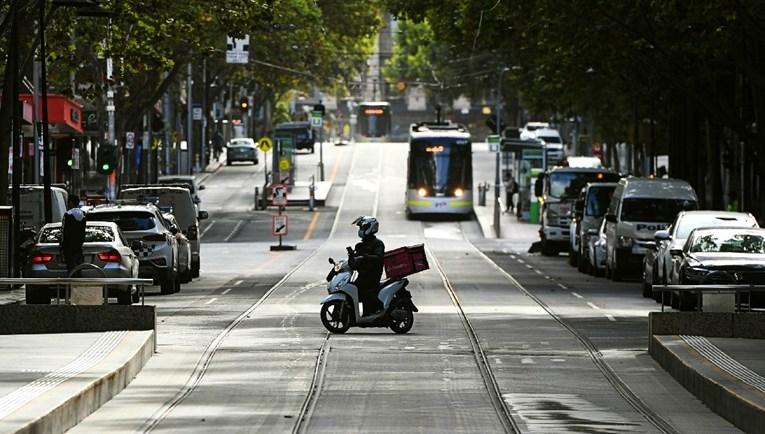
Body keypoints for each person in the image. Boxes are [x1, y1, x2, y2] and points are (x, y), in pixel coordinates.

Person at [348, 216, 385, 316]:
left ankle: (377, 309)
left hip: (372, 276)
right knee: (351, 288)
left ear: (371, 228)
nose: (360, 230)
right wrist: (351, 256)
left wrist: (364, 257)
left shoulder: (378, 244)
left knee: (362, 290)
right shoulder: (360, 245)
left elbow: (379, 257)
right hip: (363, 275)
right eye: (360, 228)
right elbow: (355, 261)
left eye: (362, 228)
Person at [61, 195, 87, 277]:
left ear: (71, 203)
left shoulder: (68, 215)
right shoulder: (83, 214)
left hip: (69, 246)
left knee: (71, 267)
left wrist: (62, 245)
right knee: (78, 266)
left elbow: (64, 231)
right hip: (79, 245)